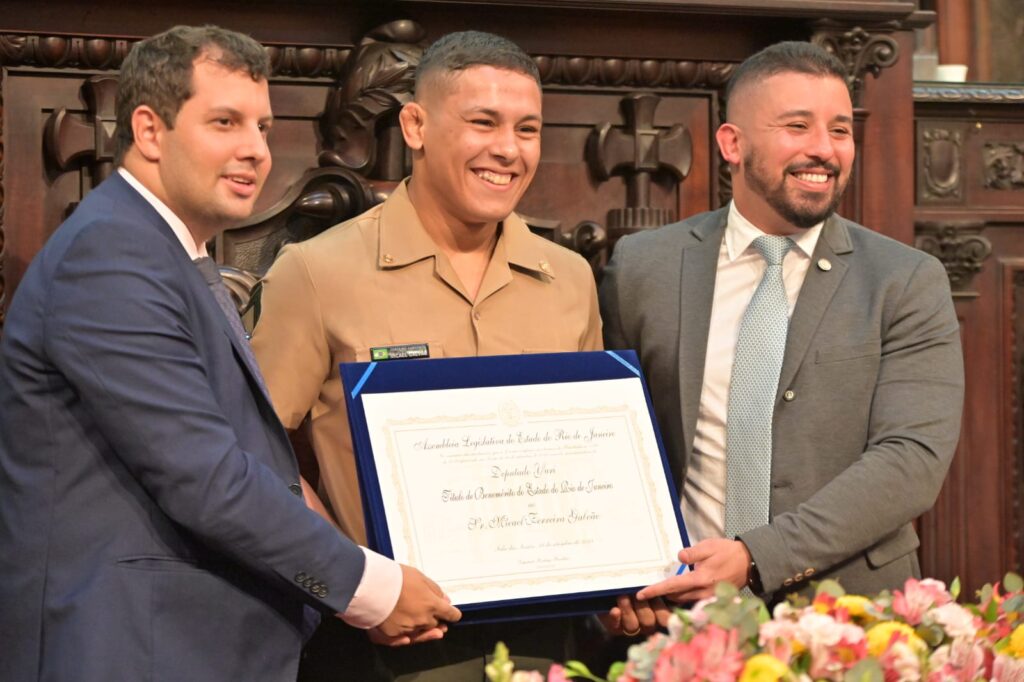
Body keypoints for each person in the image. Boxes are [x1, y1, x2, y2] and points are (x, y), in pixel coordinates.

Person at [0, 25, 459, 682]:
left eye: (264, 128)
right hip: (130, 649)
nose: (256, 152)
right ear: (151, 131)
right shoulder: (111, 258)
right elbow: (206, 477)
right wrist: (373, 589)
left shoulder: (159, 250)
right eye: (226, 123)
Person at [252, 30, 601, 681]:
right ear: (415, 124)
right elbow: (258, 456)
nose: (508, 149)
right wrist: (359, 587)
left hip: (548, 642)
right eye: (482, 122)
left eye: (527, 129)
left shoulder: (571, 277)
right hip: (385, 646)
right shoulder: (317, 272)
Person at [599, 40, 964, 635]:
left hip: (851, 624)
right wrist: (614, 580)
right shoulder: (644, 268)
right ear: (732, 144)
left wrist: (754, 557)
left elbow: (911, 461)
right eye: (798, 126)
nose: (824, 149)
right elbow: (612, 440)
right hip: (679, 623)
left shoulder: (905, 280)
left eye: (840, 129)